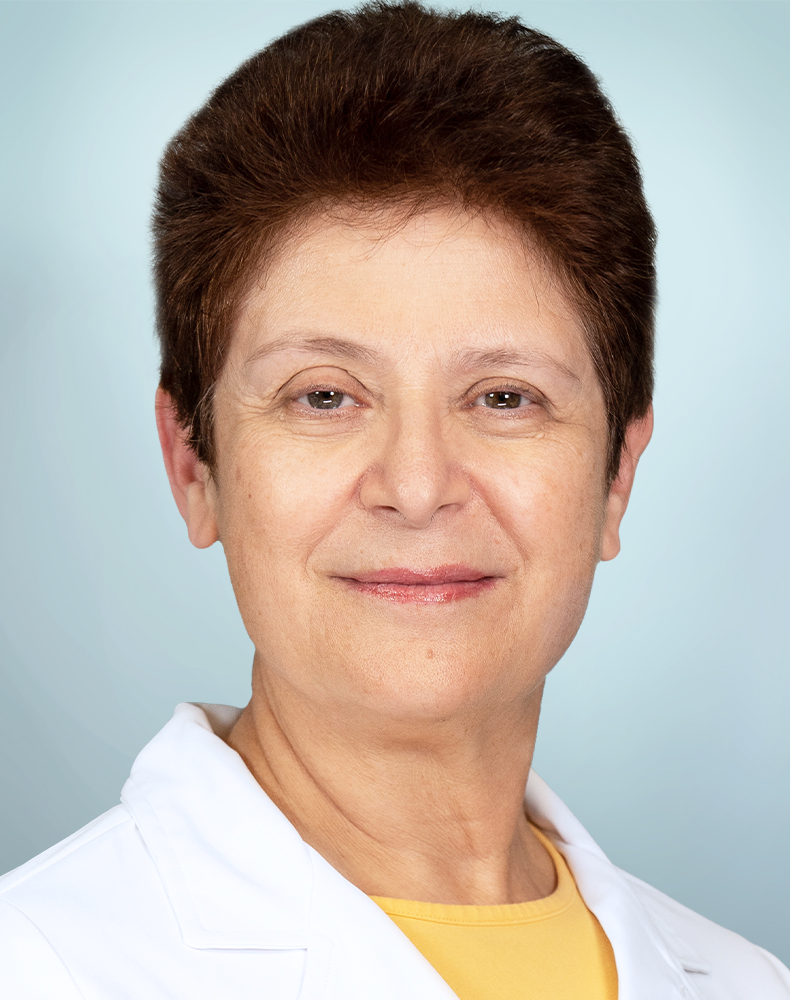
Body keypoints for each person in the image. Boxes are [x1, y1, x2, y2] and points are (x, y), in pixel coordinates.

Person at [1, 2, 787, 998]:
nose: (416, 488)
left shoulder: (748, 981)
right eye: (324, 396)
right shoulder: (36, 964)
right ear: (193, 466)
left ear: (615, 477)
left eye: (504, 397)